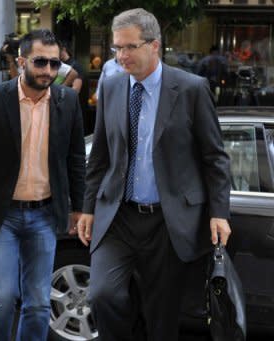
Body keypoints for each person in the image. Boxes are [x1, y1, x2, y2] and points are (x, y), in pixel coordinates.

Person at [76, 8, 232, 341]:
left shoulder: (191, 89)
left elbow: (215, 158)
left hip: (167, 220)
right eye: (117, 48)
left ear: (154, 45)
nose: (121, 56)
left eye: (129, 47)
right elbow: (100, 156)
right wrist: (88, 207)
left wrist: (219, 213)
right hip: (118, 215)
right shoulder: (113, 86)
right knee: (103, 294)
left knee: (162, 315)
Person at [0, 29, 86, 341]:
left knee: (39, 303)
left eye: (55, 65)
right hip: (2, 216)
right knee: (0, 299)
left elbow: (75, 159)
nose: (49, 71)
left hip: (44, 214)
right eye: (41, 62)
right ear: (21, 61)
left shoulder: (67, 102)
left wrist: (78, 208)